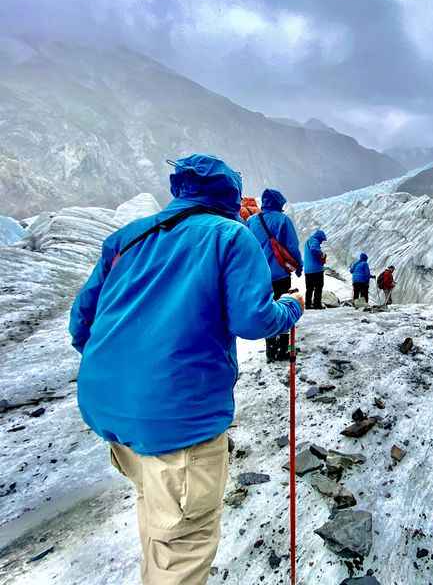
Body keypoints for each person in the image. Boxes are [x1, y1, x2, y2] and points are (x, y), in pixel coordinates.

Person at [69, 154, 304, 585]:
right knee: (182, 548)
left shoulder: (128, 237)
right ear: (230, 195)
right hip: (178, 419)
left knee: (156, 511)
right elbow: (253, 319)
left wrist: (125, 369)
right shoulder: (229, 236)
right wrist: (290, 307)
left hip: (109, 408)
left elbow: (81, 324)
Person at [247, 188, 303, 361]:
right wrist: (298, 266)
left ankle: (270, 351)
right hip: (280, 275)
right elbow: (292, 246)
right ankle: (283, 350)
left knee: (268, 310)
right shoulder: (283, 220)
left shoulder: (251, 221)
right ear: (279, 203)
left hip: (260, 275)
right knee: (284, 307)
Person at [303, 229, 327, 309]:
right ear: (319, 237)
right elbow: (314, 249)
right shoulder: (315, 241)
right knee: (318, 287)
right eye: (322, 240)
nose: (321, 242)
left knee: (309, 288)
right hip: (316, 269)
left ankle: (308, 304)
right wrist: (321, 254)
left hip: (307, 270)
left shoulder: (308, 241)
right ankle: (317, 304)